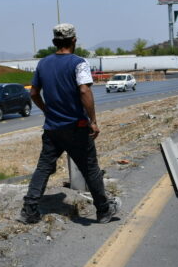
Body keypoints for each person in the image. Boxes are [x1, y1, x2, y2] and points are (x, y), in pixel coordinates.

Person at [18, 23, 121, 224]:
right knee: (90, 168)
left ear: (54, 41)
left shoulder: (43, 64)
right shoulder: (79, 63)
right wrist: (93, 120)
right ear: (74, 40)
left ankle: (29, 211)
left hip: (52, 129)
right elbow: (84, 91)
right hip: (76, 127)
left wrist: (46, 110)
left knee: (43, 168)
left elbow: (33, 93)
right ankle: (103, 210)